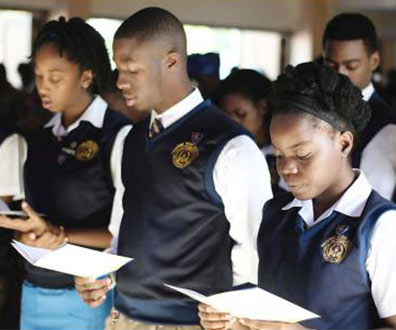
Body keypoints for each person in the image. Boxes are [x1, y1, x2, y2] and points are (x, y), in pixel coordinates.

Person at [75, 7, 272, 330]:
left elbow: (256, 249)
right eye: (118, 69)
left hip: (189, 323)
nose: (120, 82)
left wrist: (231, 312)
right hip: (123, 317)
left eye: (132, 70)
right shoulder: (131, 138)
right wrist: (104, 276)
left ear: (171, 61)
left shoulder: (230, 146)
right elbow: (122, 234)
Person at [198, 62, 396, 330]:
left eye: (302, 155)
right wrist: (232, 321)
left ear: (344, 143)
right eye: (279, 155)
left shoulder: (380, 225)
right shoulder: (276, 214)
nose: (286, 169)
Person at [0, 17, 131, 329]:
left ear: (86, 76)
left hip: (91, 294)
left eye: (55, 78)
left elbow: (126, 233)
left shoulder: (117, 136)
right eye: (39, 76)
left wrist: (60, 236)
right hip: (34, 291)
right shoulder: (35, 138)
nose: (42, 86)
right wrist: (25, 231)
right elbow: (22, 217)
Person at [323, 13, 396, 201]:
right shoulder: (315, 112)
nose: (340, 75)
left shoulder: (388, 130)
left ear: (374, 62)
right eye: (331, 65)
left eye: (351, 66)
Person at [213, 69, 286, 195]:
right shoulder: (224, 151)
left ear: (263, 106)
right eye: (226, 116)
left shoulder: (282, 151)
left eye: (240, 114)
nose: (232, 123)